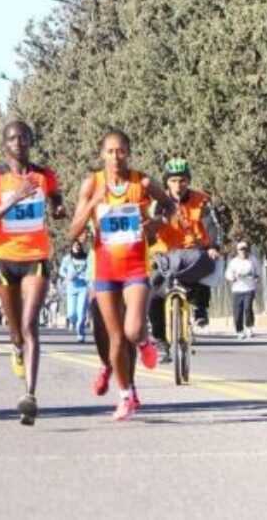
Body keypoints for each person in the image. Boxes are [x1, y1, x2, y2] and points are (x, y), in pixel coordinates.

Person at [68, 129, 174, 421]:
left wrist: (154, 223)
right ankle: (125, 395)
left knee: (132, 329)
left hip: (135, 267)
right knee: (115, 338)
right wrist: (93, 202)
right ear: (102, 154)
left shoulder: (143, 182)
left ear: (129, 152)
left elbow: (169, 205)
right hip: (105, 270)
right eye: (110, 152)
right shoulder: (92, 183)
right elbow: (72, 231)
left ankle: (144, 342)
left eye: (121, 151)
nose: (116, 157)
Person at [0, 120, 65, 426]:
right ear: (5, 144)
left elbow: (55, 199)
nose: (19, 143)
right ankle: (15, 347)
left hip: (35, 257)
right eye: (13, 139)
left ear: (31, 141)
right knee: (15, 330)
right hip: (5, 259)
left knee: (29, 325)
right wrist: (13, 200)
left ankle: (30, 396)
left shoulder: (44, 175)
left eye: (24, 138)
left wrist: (58, 209)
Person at [147, 158, 222, 359]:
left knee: (207, 263)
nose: (178, 185)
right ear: (166, 183)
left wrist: (214, 246)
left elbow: (212, 224)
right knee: (153, 293)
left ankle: (200, 309)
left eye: (182, 180)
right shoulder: (158, 203)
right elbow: (148, 228)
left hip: (192, 252)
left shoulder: (201, 200)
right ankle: (161, 341)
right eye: (173, 181)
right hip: (164, 254)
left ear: (188, 181)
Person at [225, 241, 261, 339]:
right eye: (241, 249)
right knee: (237, 312)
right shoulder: (234, 262)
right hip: (237, 290)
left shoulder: (253, 260)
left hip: (249, 288)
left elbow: (258, 271)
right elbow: (228, 274)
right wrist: (233, 278)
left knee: (247, 308)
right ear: (237, 251)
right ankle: (239, 331)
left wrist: (256, 278)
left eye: (245, 249)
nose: (243, 251)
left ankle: (249, 327)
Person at [59, 241, 90, 343]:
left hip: (83, 287)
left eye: (78, 245)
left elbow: (90, 270)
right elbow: (61, 271)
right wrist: (66, 276)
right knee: (72, 313)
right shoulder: (67, 259)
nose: (77, 247)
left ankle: (80, 334)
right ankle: (74, 322)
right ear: (72, 247)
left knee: (81, 312)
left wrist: (86, 277)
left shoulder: (86, 258)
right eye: (75, 245)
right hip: (71, 287)